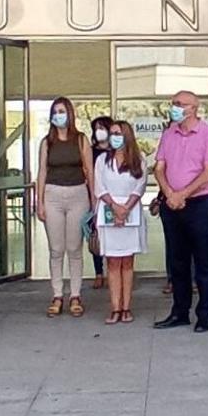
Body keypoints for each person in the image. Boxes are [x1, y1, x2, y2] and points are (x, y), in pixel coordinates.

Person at [153, 91, 208, 333]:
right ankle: (179, 312)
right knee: (177, 261)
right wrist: (170, 193)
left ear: (194, 108)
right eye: (173, 104)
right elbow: (159, 167)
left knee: (203, 262)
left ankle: (204, 314)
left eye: (180, 104)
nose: (175, 108)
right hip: (172, 205)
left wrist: (183, 194)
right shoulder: (168, 134)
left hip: (199, 204)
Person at [36, 97, 94, 318]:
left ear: (70, 114)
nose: (58, 115)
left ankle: (76, 294)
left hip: (78, 194)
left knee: (74, 248)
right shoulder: (46, 142)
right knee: (56, 249)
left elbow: (89, 170)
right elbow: (41, 171)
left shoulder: (80, 140)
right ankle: (57, 294)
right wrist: (39, 201)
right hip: (53, 195)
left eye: (62, 111)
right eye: (55, 111)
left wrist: (94, 199)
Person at [93, 121, 148, 324]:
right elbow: (99, 186)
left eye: (118, 133)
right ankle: (115, 307)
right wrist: (115, 207)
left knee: (127, 261)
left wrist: (126, 208)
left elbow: (140, 186)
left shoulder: (138, 160)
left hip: (131, 212)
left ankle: (126, 307)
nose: (114, 136)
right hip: (109, 211)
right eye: (112, 133)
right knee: (113, 262)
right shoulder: (101, 160)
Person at [89, 116, 115, 290]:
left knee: (115, 235)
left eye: (102, 127)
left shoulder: (118, 150)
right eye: (96, 128)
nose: (99, 131)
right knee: (96, 234)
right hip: (96, 197)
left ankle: (114, 270)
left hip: (116, 197)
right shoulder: (91, 151)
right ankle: (99, 272)